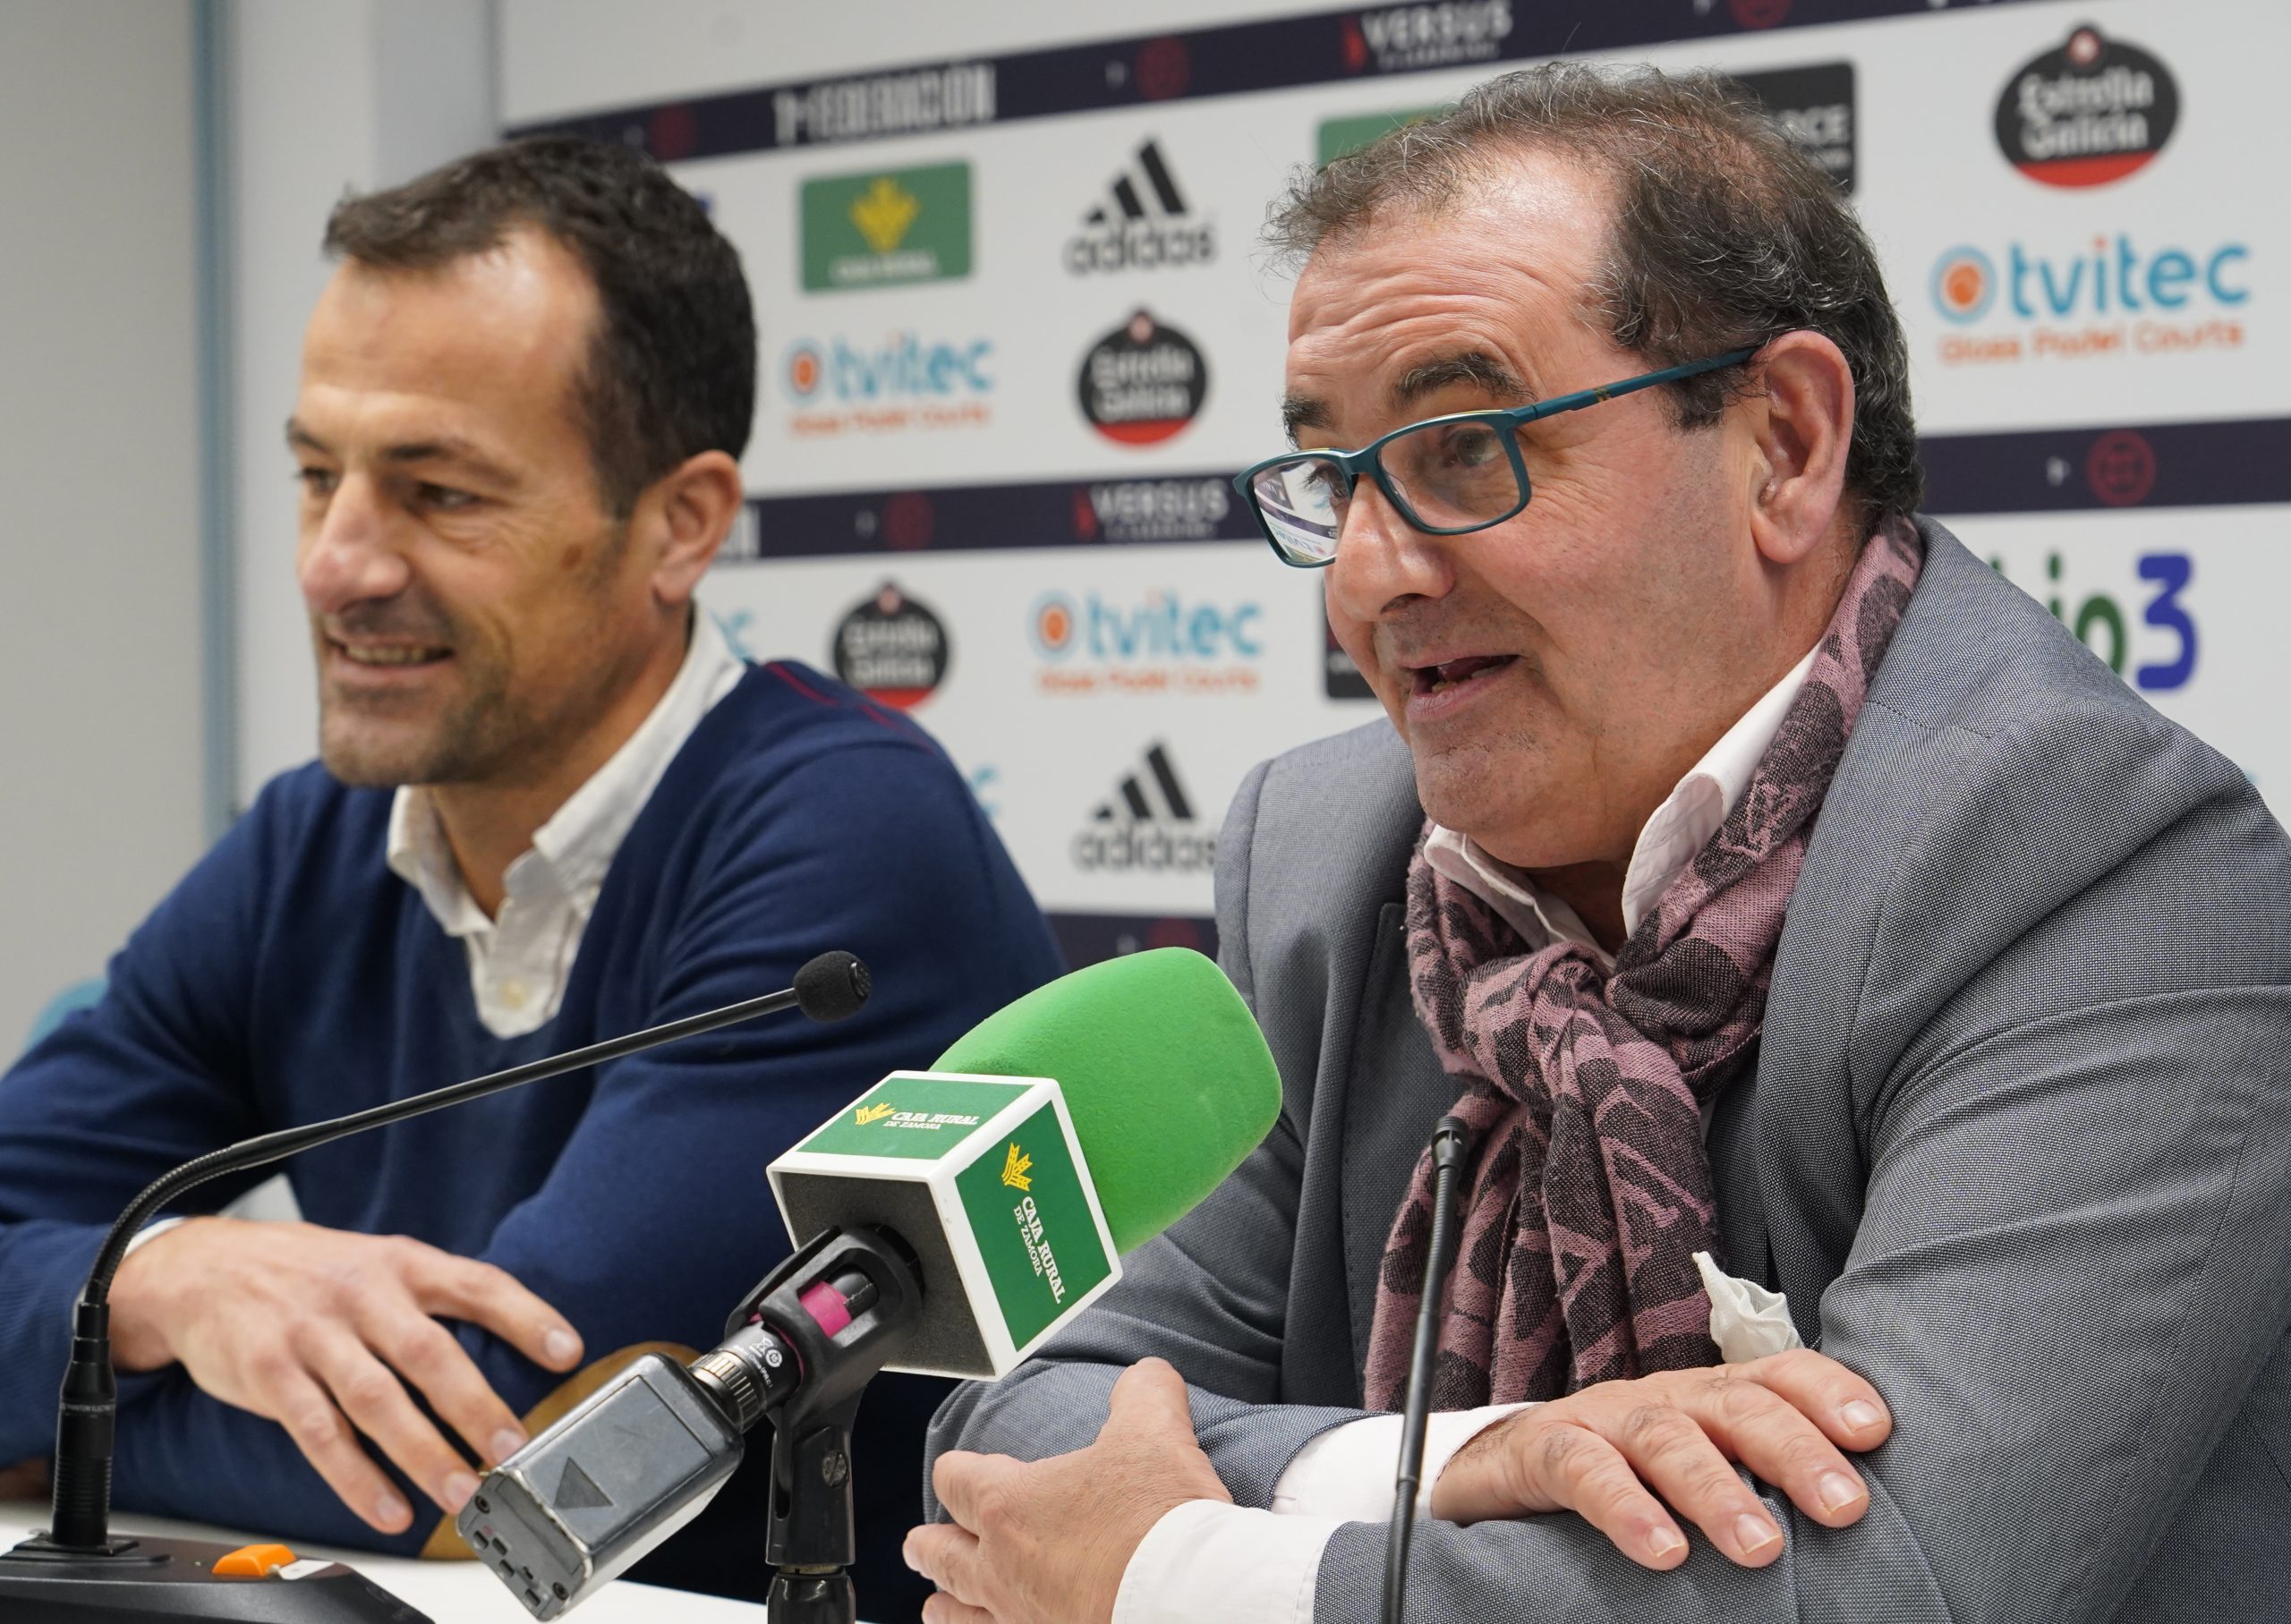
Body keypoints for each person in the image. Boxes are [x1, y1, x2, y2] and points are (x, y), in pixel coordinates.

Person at [909, 65, 2291, 1624]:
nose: (1370, 575)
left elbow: (1891, 1585)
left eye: (1464, 447)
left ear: (1781, 442)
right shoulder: (1324, 852)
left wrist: (1181, 1573)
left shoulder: (2107, 866)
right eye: (1334, 479)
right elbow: (1033, 1408)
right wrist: (1463, 1458)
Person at [0, 135, 1061, 1617]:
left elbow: (516, 1459)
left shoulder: (845, 835)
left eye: (437, 493)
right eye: (318, 477)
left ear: (678, 525)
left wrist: (51, 1427)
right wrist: (162, 1282)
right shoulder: (309, 844)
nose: (335, 564)